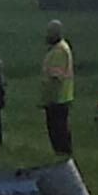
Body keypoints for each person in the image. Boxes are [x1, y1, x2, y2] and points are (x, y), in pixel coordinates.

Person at [41, 19, 74, 155]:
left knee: (57, 128)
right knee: (59, 127)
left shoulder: (59, 51)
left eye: (50, 33)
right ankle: (62, 152)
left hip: (57, 96)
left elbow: (55, 76)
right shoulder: (60, 48)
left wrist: (47, 95)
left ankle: (62, 152)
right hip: (60, 96)